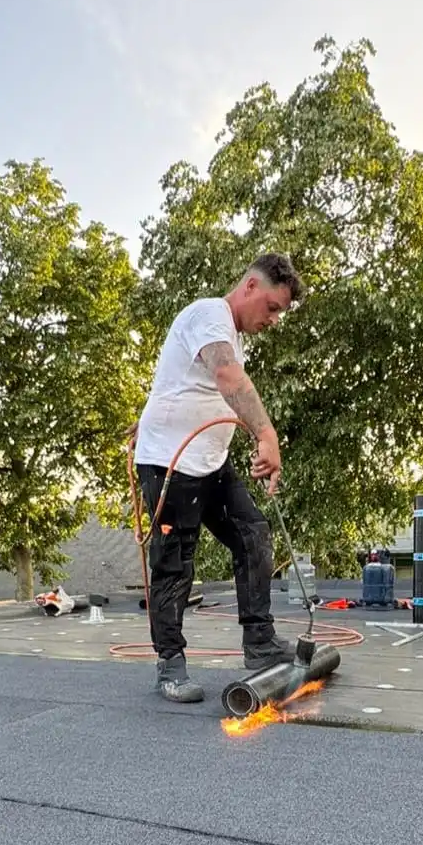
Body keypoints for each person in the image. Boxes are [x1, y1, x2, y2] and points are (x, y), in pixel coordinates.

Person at [127, 252, 306, 702]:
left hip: (211, 463)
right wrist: (267, 434)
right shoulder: (210, 314)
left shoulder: (227, 335)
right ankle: (170, 665)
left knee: (253, 534)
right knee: (175, 562)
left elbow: (189, 386)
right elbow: (227, 377)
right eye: (272, 307)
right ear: (249, 287)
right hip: (171, 464)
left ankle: (260, 643)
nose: (275, 319)